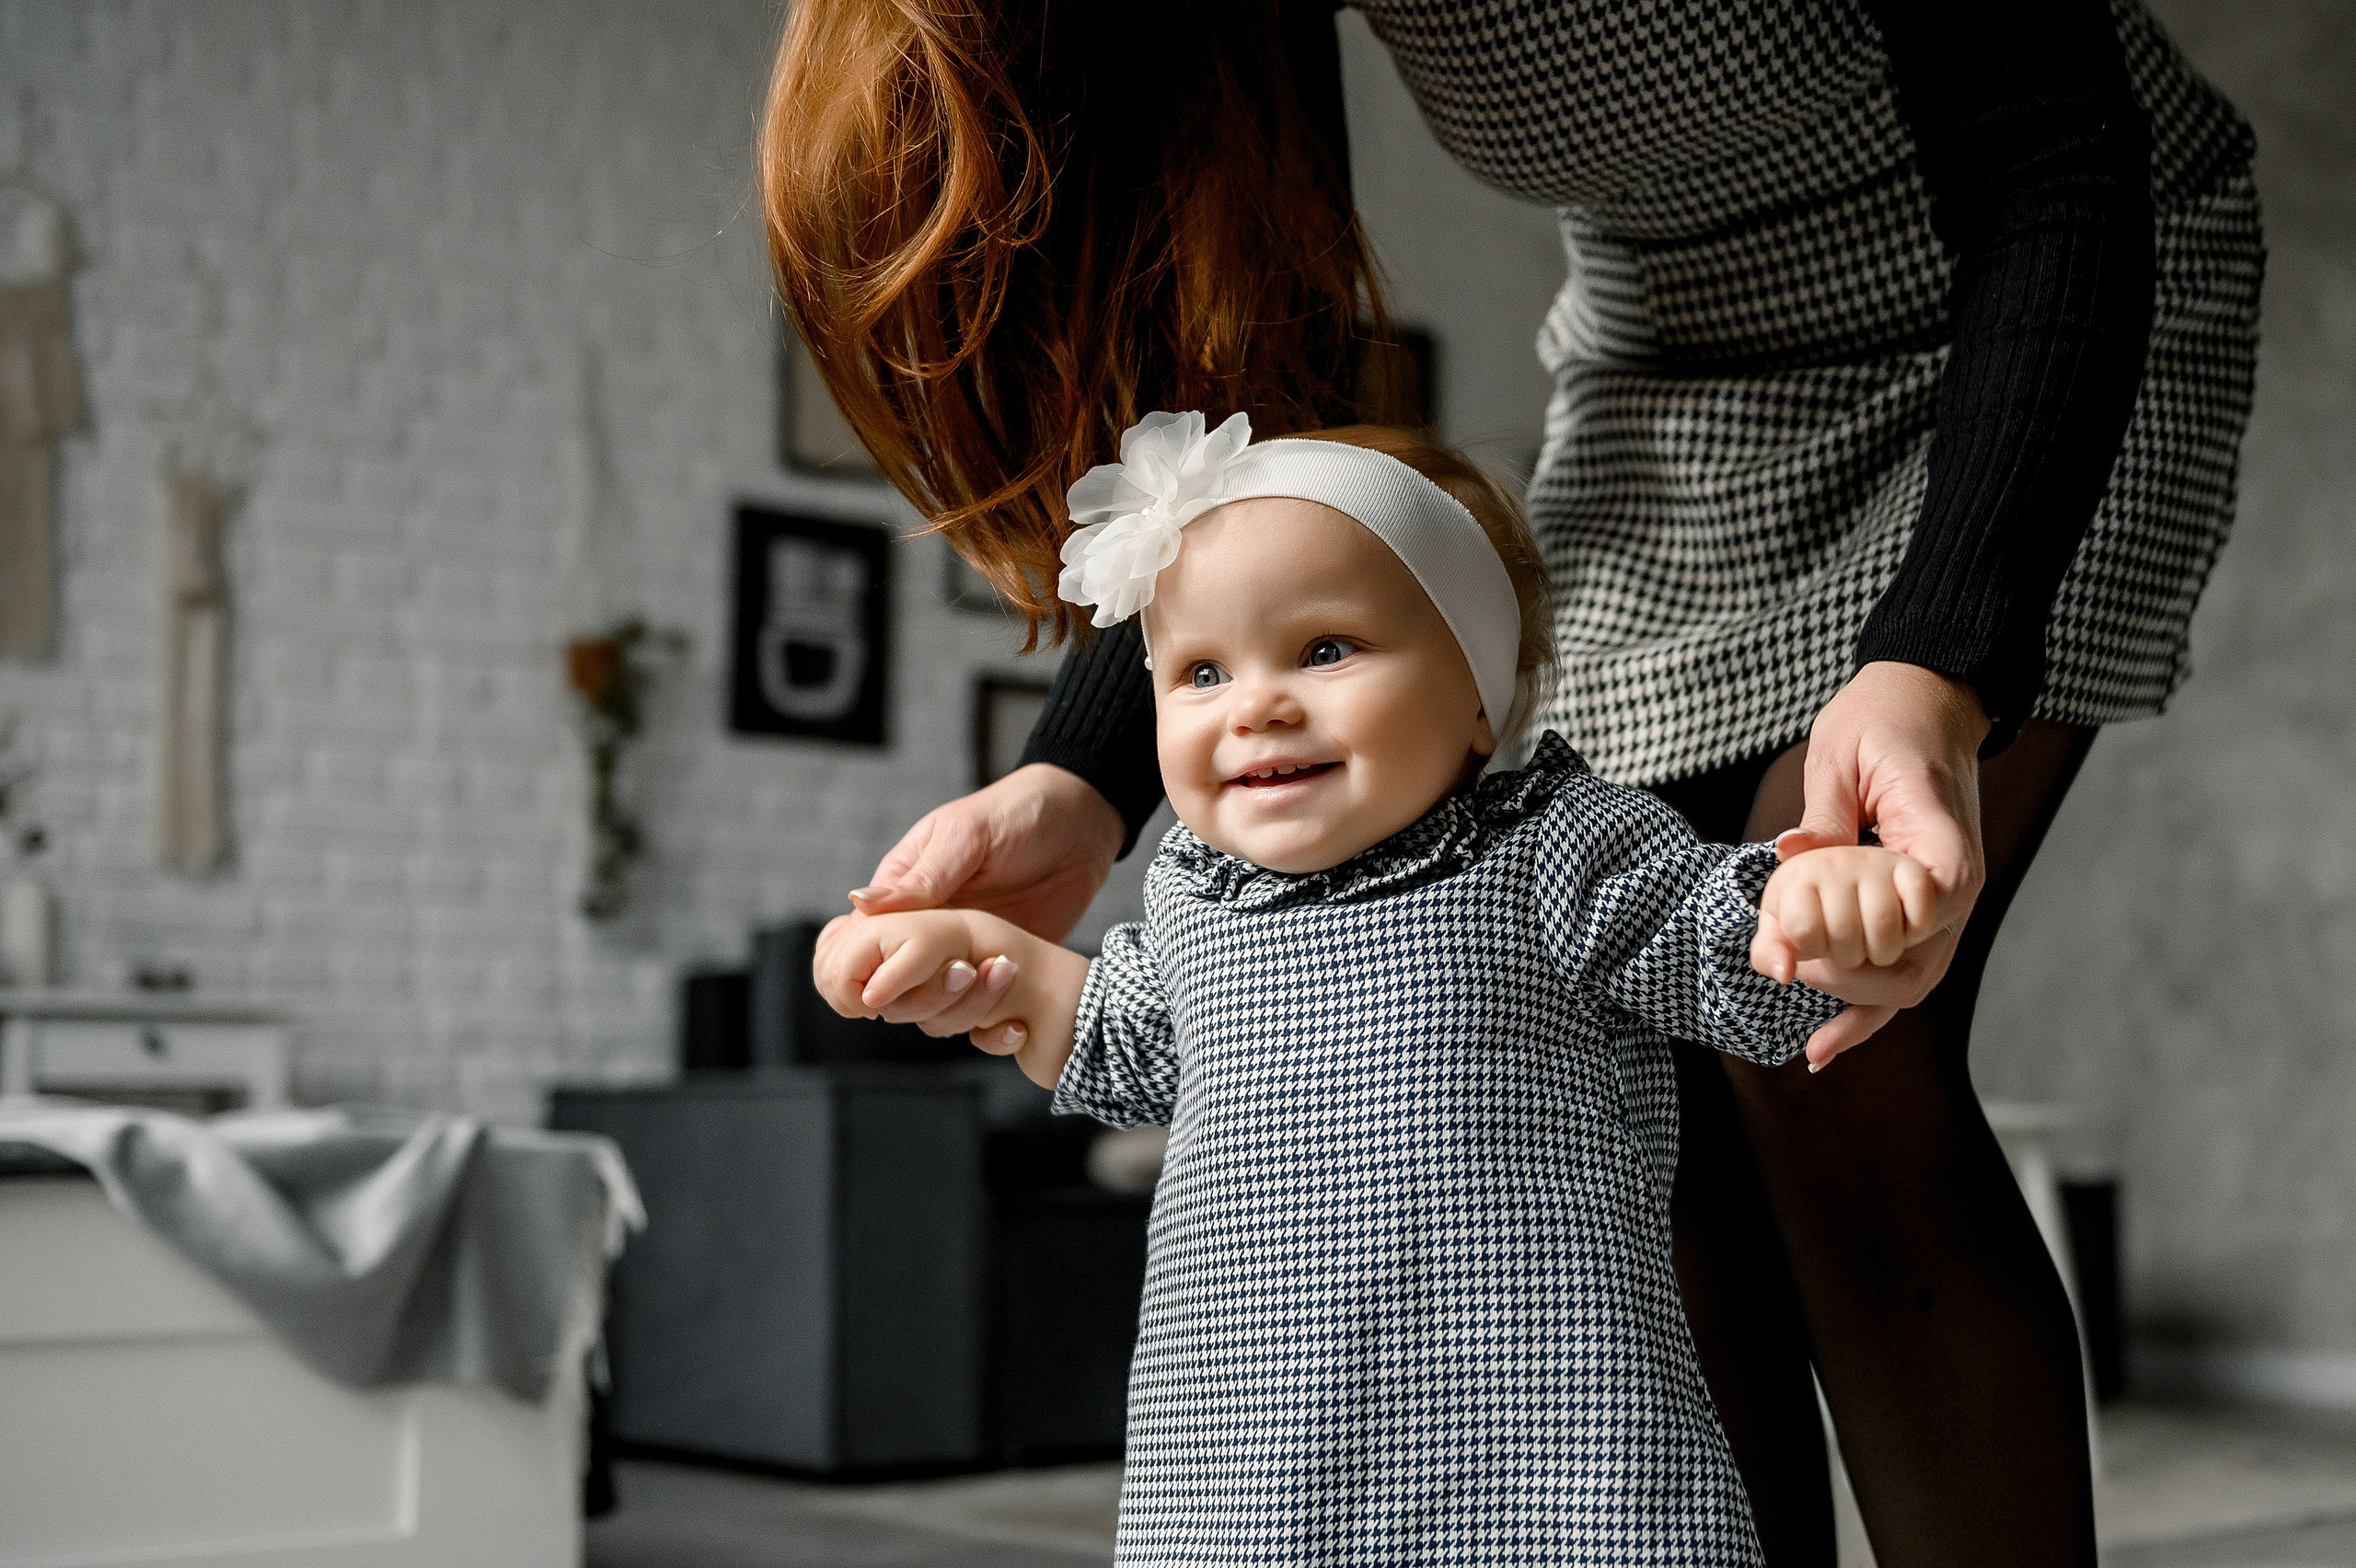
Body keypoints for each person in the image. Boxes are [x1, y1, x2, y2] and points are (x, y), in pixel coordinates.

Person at [761, 3, 2262, 1559]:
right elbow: (1257, 401)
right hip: (1669, 370)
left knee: (1830, 1049)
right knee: (1611, 1067)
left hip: (2042, 287)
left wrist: (1936, 658)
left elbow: (2054, 153)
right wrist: (1078, 778)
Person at [815, 415, 1940, 1562]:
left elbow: (1713, 942)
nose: (1254, 704)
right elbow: (1108, 1024)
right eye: (1200, 671)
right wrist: (968, 960)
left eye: (1324, 649)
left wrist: (1815, 912)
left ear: (1477, 697)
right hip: (1252, 1452)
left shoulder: (1547, 849)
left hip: (1543, 1452)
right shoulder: (1196, 905)